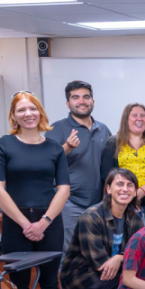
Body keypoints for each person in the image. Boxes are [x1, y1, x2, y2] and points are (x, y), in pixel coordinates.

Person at [0, 92, 70, 289]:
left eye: (32, 108)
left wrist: (44, 222)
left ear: (40, 112)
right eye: (21, 109)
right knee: (19, 285)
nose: (28, 114)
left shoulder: (54, 148)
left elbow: (63, 189)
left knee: (50, 283)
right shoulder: (3, 145)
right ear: (13, 115)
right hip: (16, 225)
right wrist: (27, 224)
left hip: (49, 222)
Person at [60, 169, 144, 289]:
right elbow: (99, 262)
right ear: (108, 189)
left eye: (130, 185)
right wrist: (124, 261)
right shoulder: (91, 217)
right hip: (80, 277)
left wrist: (120, 257)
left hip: (111, 272)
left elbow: (140, 254)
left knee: (138, 278)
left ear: (135, 192)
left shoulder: (135, 219)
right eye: (119, 184)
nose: (125, 189)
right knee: (128, 281)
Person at [47, 80, 112, 252]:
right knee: (69, 254)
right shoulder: (56, 129)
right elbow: (45, 163)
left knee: (97, 252)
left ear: (93, 101)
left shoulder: (103, 129)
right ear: (68, 104)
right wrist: (67, 147)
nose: (81, 101)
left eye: (86, 97)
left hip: (99, 203)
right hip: (69, 203)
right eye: (75, 98)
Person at [101, 103, 145, 216]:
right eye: (134, 115)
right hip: (120, 202)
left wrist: (140, 193)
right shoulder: (113, 143)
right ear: (125, 119)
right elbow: (106, 175)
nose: (139, 119)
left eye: (143, 115)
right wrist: (127, 193)